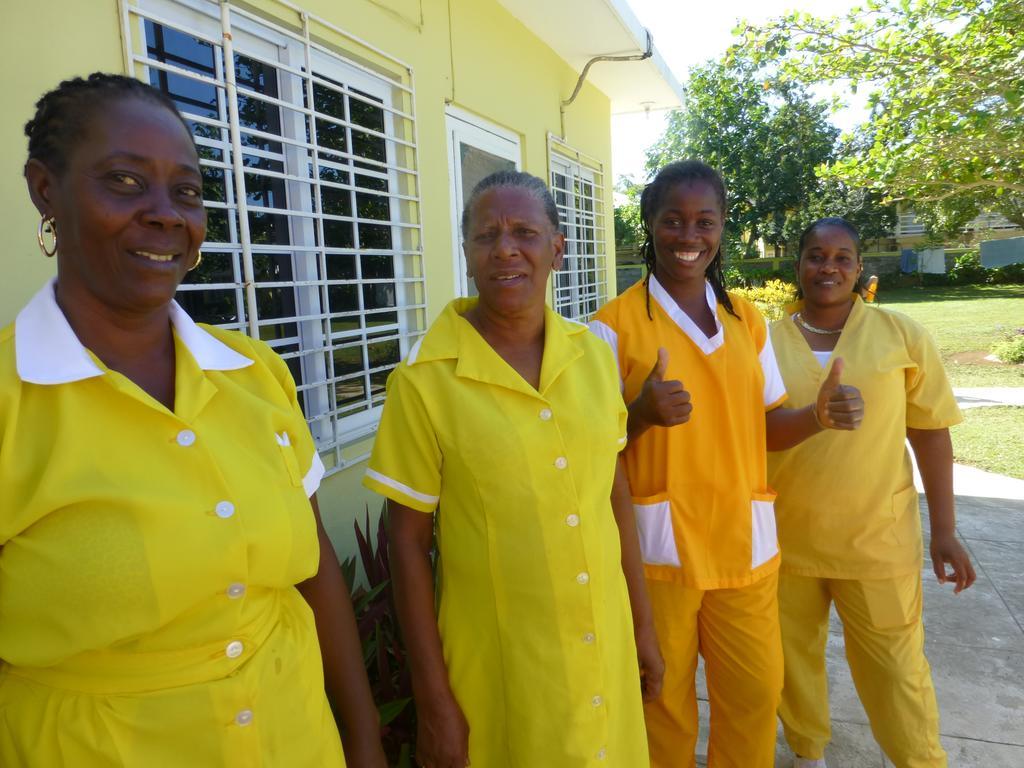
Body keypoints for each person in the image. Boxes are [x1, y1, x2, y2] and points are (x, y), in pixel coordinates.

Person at [0, 73, 386, 767]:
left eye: (186, 192)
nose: (165, 213)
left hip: (297, 739)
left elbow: (315, 567)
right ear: (45, 189)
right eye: (124, 181)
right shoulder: (10, 401)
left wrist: (363, 740)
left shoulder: (256, 372)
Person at [364, 170, 659, 768]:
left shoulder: (594, 358)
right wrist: (435, 700)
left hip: (603, 647)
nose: (505, 249)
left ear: (558, 247)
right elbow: (407, 540)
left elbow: (614, 494)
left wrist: (643, 628)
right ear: (468, 253)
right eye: (485, 235)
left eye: (524, 231)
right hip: (502, 672)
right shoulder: (425, 380)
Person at [589, 161, 864, 768]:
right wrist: (638, 415)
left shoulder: (747, 320)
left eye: (704, 221)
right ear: (649, 228)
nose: (689, 236)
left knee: (754, 693)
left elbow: (767, 424)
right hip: (663, 555)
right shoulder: (611, 329)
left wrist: (816, 415)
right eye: (673, 221)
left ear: (721, 230)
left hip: (744, 548)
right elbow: (589, 454)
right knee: (662, 703)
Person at [767, 217, 975, 768]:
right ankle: (808, 753)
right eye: (816, 255)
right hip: (785, 539)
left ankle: (920, 760)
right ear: (798, 267)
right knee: (792, 664)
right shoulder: (764, 342)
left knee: (896, 670)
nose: (828, 266)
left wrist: (945, 531)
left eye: (841, 257)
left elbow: (930, 433)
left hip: (875, 541)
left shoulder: (901, 336)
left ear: (860, 268)